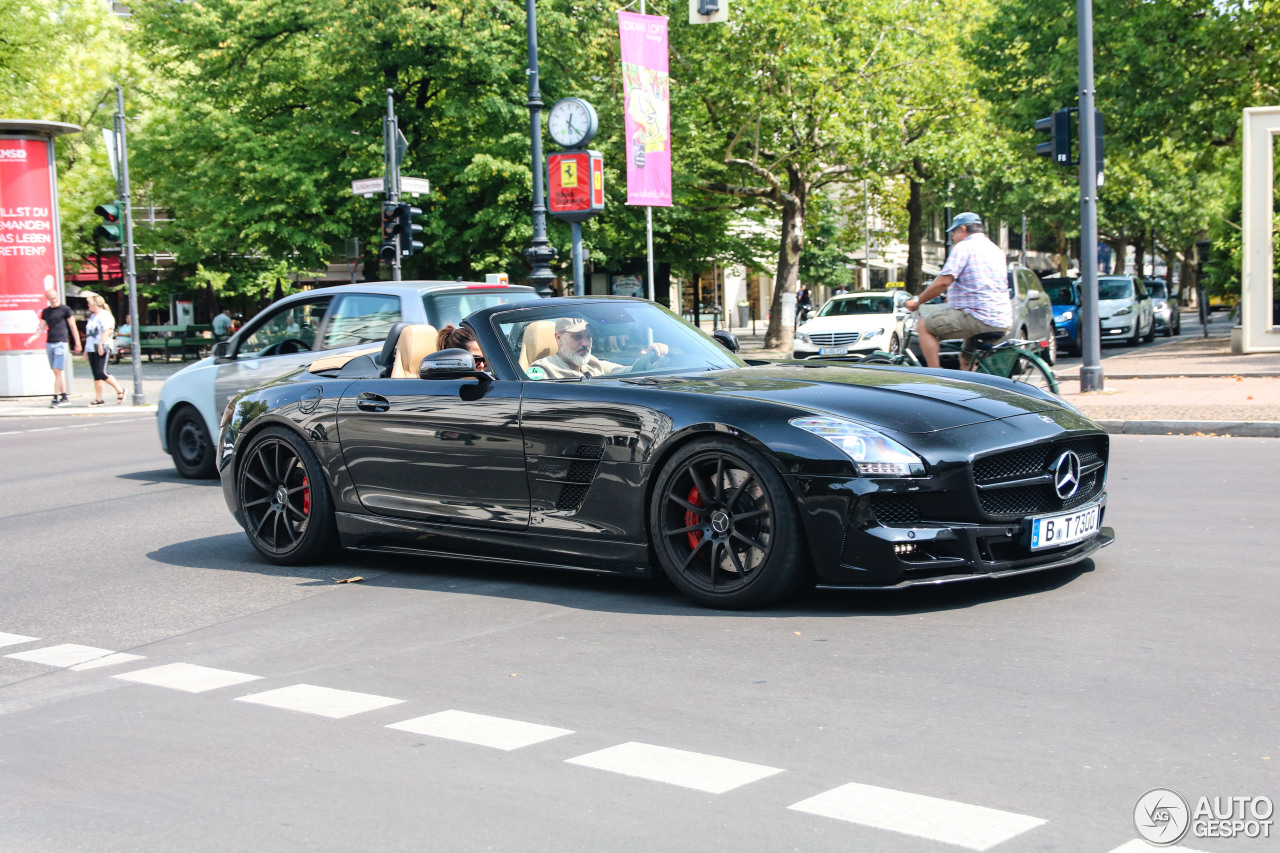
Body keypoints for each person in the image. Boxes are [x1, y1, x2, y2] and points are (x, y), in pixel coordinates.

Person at [904, 212, 1012, 369]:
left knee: (923, 325)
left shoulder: (964, 247)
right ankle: (974, 390)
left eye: (953, 233)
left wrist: (918, 301)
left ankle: (934, 376)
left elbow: (943, 281)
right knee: (966, 360)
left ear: (962, 229)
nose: (952, 237)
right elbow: (982, 283)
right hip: (1001, 318)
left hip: (979, 316)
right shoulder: (995, 249)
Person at [529, 317, 667, 379]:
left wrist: (652, 355)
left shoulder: (595, 364)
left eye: (588, 336)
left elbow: (631, 372)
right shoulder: (544, 370)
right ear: (559, 338)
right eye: (577, 337)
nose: (585, 343)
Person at [24, 288, 82, 407]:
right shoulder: (46, 312)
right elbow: (41, 328)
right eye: (51, 299)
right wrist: (32, 338)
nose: (54, 300)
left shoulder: (65, 309)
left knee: (57, 370)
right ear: (48, 299)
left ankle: (55, 397)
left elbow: (72, 326)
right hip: (50, 343)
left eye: (55, 297)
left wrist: (78, 342)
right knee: (57, 373)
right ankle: (64, 396)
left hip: (61, 342)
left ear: (57, 296)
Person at [83, 294, 126, 405]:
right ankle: (99, 398)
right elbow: (89, 334)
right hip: (91, 346)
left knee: (101, 372)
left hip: (102, 345)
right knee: (96, 374)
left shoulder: (105, 315)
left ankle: (120, 390)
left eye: (89, 303)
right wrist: (85, 350)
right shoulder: (92, 316)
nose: (88, 305)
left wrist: (101, 343)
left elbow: (107, 330)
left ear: (95, 304)